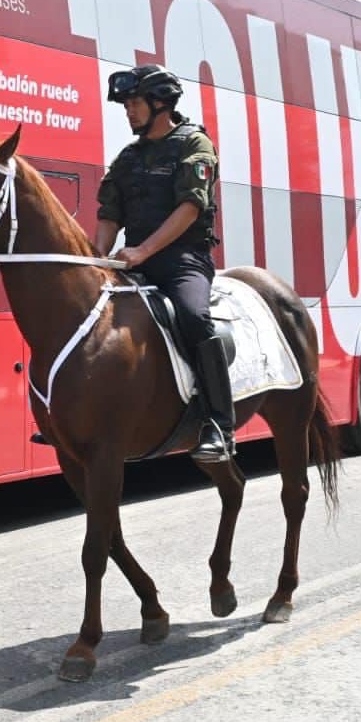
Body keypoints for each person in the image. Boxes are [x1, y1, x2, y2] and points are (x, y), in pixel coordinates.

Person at [95, 65, 235, 463]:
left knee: (193, 317)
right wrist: (97, 258)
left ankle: (219, 426)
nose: (129, 111)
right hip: (132, 261)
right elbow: (110, 214)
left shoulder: (194, 145)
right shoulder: (128, 158)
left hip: (182, 260)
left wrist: (141, 252)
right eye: (127, 105)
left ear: (161, 104)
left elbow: (191, 208)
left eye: (135, 103)